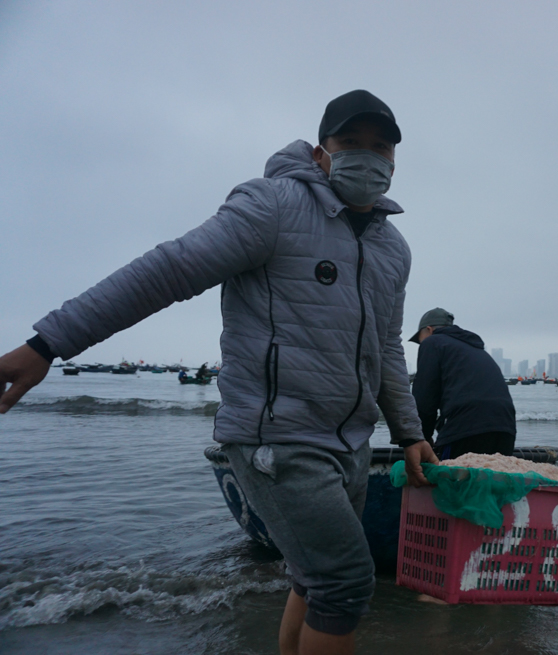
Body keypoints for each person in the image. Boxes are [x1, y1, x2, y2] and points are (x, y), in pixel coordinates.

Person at [0, 89, 437, 655]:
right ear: (320, 150)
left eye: (379, 147)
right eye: (349, 142)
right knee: (346, 583)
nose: (366, 156)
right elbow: (168, 271)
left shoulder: (392, 248)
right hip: (274, 440)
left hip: (350, 443)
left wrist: (409, 433)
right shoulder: (273, 205)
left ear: (395, 162)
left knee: (313, 580)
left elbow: (386, 348)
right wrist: (48, 342)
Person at [409, 308, 517, 459]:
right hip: (505, 430)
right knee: (491, 481)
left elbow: (424, 399)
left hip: (465, 431)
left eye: (420, 339)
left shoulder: (433, 342)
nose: (421, 343)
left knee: (453, 481)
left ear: (429, 330)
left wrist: (421, 439)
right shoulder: (475, 349)